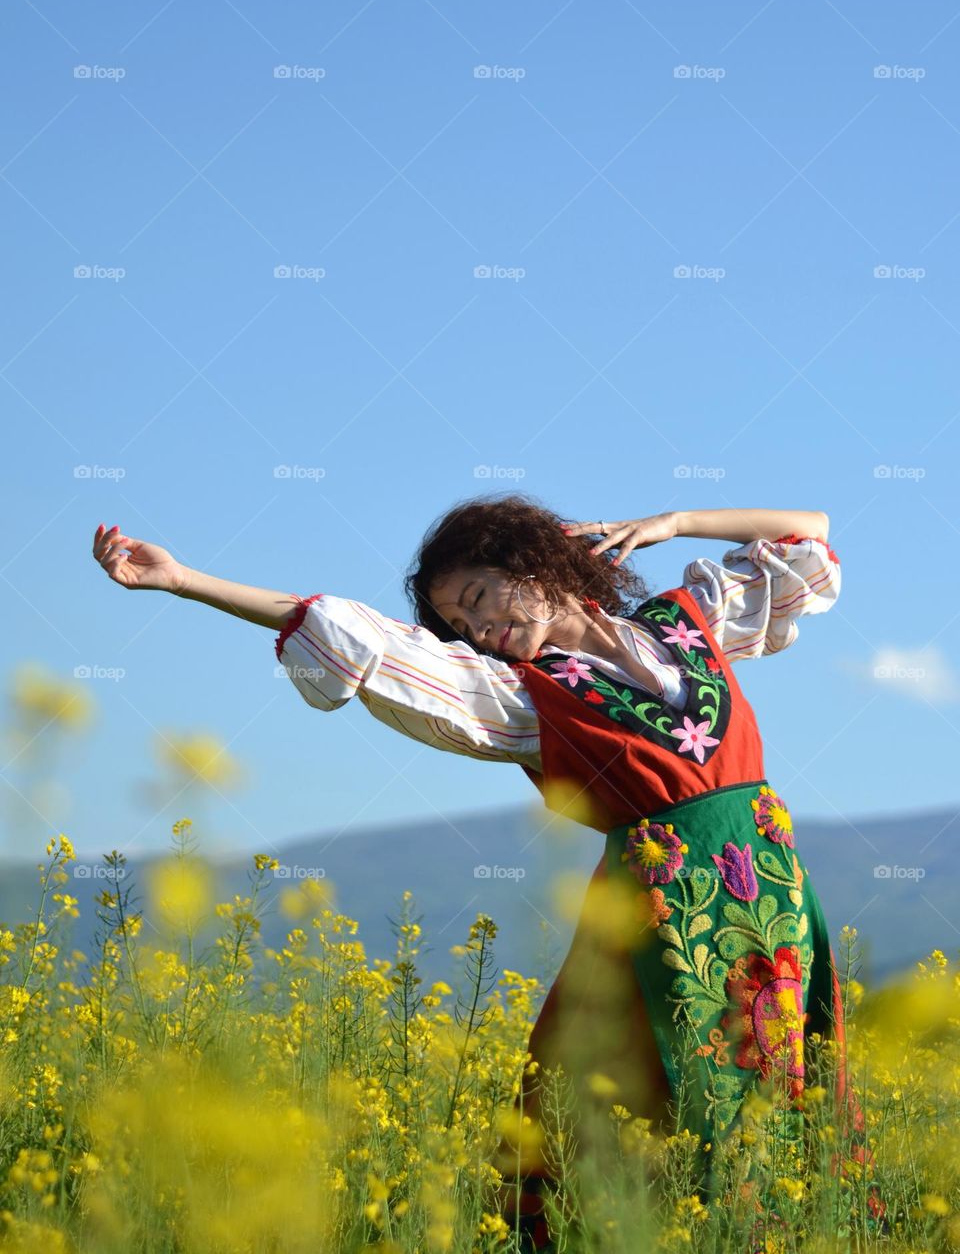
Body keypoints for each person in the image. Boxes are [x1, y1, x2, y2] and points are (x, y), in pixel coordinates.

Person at [90, 496, 862, 1251]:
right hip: (663, 920)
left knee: (783, 1091)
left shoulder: (686, 624)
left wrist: (673, 522)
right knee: (671, 1100)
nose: (479, 629)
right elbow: (355, 632)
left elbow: (808, 534)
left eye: (478, 598)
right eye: (461, 625)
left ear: (533, 564)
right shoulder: (524, 697)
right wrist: (184, 580)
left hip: (772, 894)